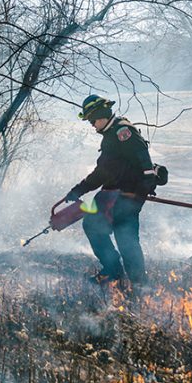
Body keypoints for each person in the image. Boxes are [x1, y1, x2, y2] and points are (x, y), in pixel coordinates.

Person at [64, 95, 157, 288]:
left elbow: (145, 165)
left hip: (127, 196)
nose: (91, 125)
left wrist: (139, 194)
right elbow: (105, 172)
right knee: (93, 224)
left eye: (92, 120)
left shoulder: (122, 132)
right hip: (113, 194)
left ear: (101, 115)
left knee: (126, 239)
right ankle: (113, 270)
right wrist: (79, 189)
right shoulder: (111, 134)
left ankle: (140, 285)